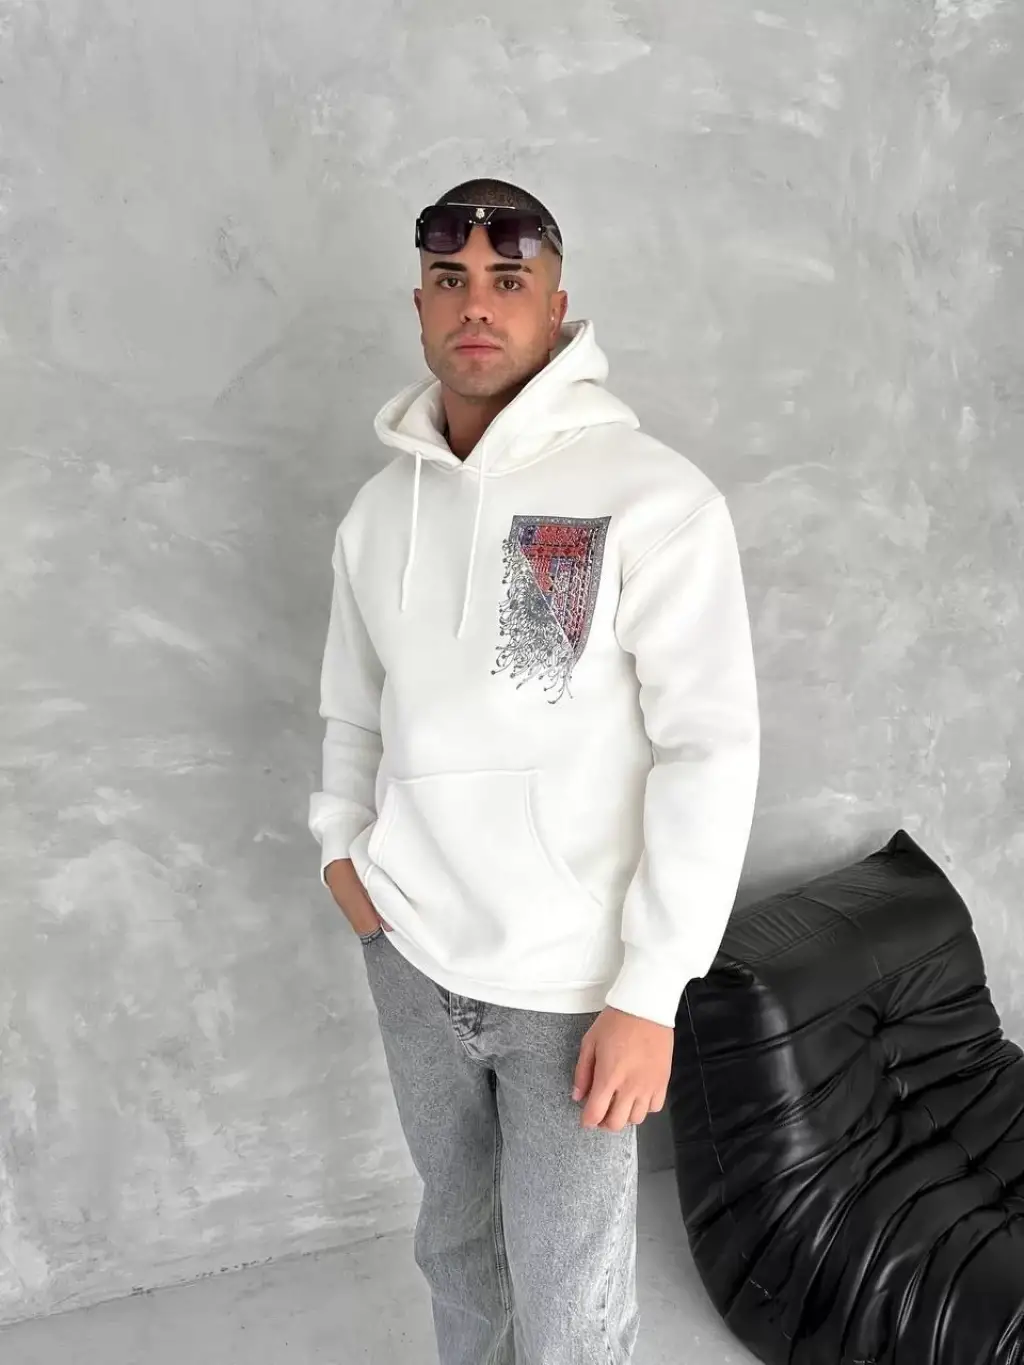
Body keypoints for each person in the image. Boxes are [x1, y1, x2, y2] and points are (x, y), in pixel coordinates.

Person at [309, 177, 760, 1365]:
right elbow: (353, 705)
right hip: (410, 954)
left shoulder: (650, 500)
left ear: (556, 307)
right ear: (419, 305)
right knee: (457, 1250)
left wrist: (650, 991)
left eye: (508, 281)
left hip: (569, 987)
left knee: (570, 1305)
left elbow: (708, 749)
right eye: (449, 281)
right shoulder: (377, 514)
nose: (477, 305)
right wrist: (341, 852)